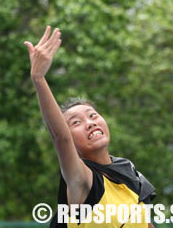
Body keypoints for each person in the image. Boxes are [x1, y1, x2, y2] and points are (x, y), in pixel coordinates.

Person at [24, 26, 156, 228]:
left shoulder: (129, 173)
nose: (90, 122)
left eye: (93, 115)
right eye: (76, 122)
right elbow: (61, 138)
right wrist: (39, 79)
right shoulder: (83, 182)